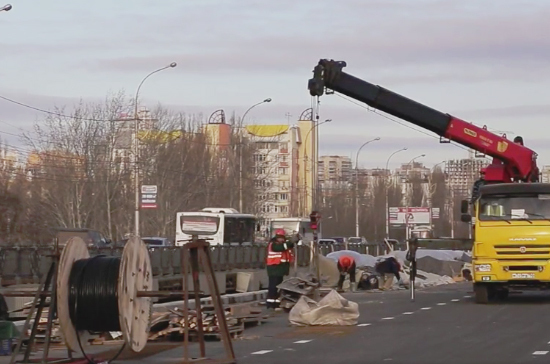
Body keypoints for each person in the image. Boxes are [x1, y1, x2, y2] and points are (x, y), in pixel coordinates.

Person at [265, 229, 295, 309]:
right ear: (277, 238)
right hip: (274, 267)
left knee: (278, 286)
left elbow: (289, 247)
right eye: (280, 238)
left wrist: (293, 241)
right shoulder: (273, 244)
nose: (282, 239)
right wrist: (289, 242)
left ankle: (276, 302)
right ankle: (270, 303)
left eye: (283, 238)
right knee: (273, 286)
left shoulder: (283, 244)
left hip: (280, 268)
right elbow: (282, 248)